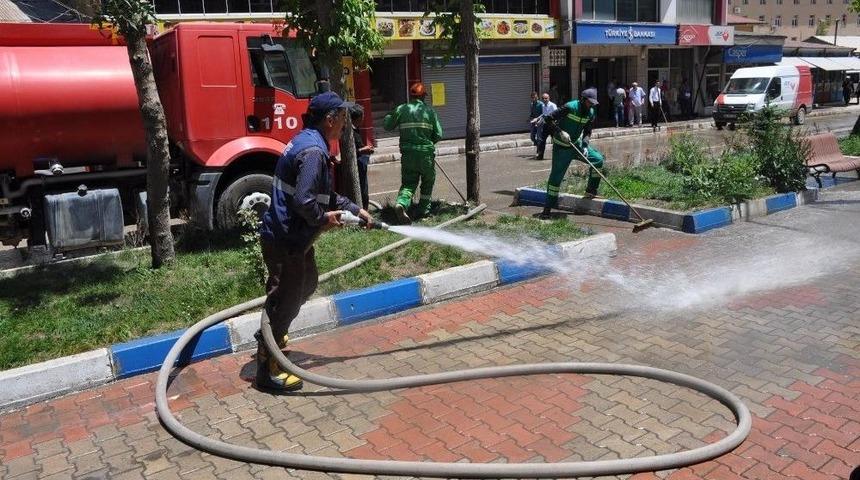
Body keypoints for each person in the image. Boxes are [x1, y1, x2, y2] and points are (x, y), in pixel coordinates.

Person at [258, 91, 375, 392]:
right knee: (287, 297)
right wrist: (325, 219)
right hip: (287, 240)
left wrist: (353, 208)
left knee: (307, 283)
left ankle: (276, 330)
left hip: (293, 238)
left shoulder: (308, 142)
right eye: (343, 117)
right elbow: (305, 201)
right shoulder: (314, 153)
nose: (346, 123)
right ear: (330, 119)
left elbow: (323, 195)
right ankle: (268, 370)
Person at [536, 88, 606, 218]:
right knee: (556, 178)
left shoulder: (590, 112)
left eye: (593, 103)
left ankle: (591, 191)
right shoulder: (570, 107)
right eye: (589, 102)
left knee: (598, 160)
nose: (591, 105)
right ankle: (547, 209)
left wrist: (585, 145)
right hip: (562, 147)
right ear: (582, 99)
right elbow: (548, 119)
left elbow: (587, 131)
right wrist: (560, 132)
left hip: (577, 145)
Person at [384, 82, 443, 224]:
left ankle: (402, 203)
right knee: (428, 181)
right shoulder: (429, 112)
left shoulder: (402, 109)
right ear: (423, 96)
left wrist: (390, 113)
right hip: (425, 154)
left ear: (411, 95)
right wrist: (428, 144)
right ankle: (423, 210)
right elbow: (439, 134)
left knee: (409, 182)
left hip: (408, 155)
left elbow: (387, 125)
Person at [350, 104, 374, 210]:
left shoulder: (356, 129)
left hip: (361, 162)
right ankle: (364, 211)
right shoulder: (349, 132)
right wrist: (363, 150)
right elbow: (350, 151)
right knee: (363, 189)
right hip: (358, 164)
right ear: (359, 118)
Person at [533, 92, 558, 160]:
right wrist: (538, 121)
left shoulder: (553, 105)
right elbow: (544, 115)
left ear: (549, 98)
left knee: (556, 141)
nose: (544, 99)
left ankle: (556, 156)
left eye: (546, 98)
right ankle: (540, 156)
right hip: (546, 125)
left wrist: (555, 122)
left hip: (553, 125)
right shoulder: (543, 106)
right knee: (542, 141)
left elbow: (557, 114)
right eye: (543, 98)